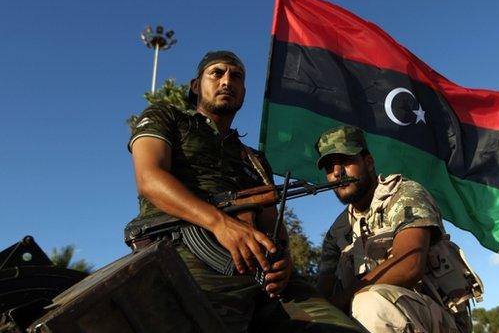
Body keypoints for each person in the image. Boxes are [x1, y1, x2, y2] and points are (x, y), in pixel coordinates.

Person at [128, 51, 363, 333]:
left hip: (259, 273)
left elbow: (272, 225)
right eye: (217, 73)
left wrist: (283, 263)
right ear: (195, 85)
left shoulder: (253, 159)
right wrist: (220, 223)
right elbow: (149, 177)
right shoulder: (168, 118)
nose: (227, 81)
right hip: (184, 254)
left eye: (236, 76)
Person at [315, 125, 471, 333]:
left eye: (345, 161)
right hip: (366, 321)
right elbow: (323, 292)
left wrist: (344, 299)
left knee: (370, 305)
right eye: (329, 168)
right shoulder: (338, 231)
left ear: (368, 162)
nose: (337, 172)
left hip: (436, 320)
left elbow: (410, 263)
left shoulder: (404, 194)